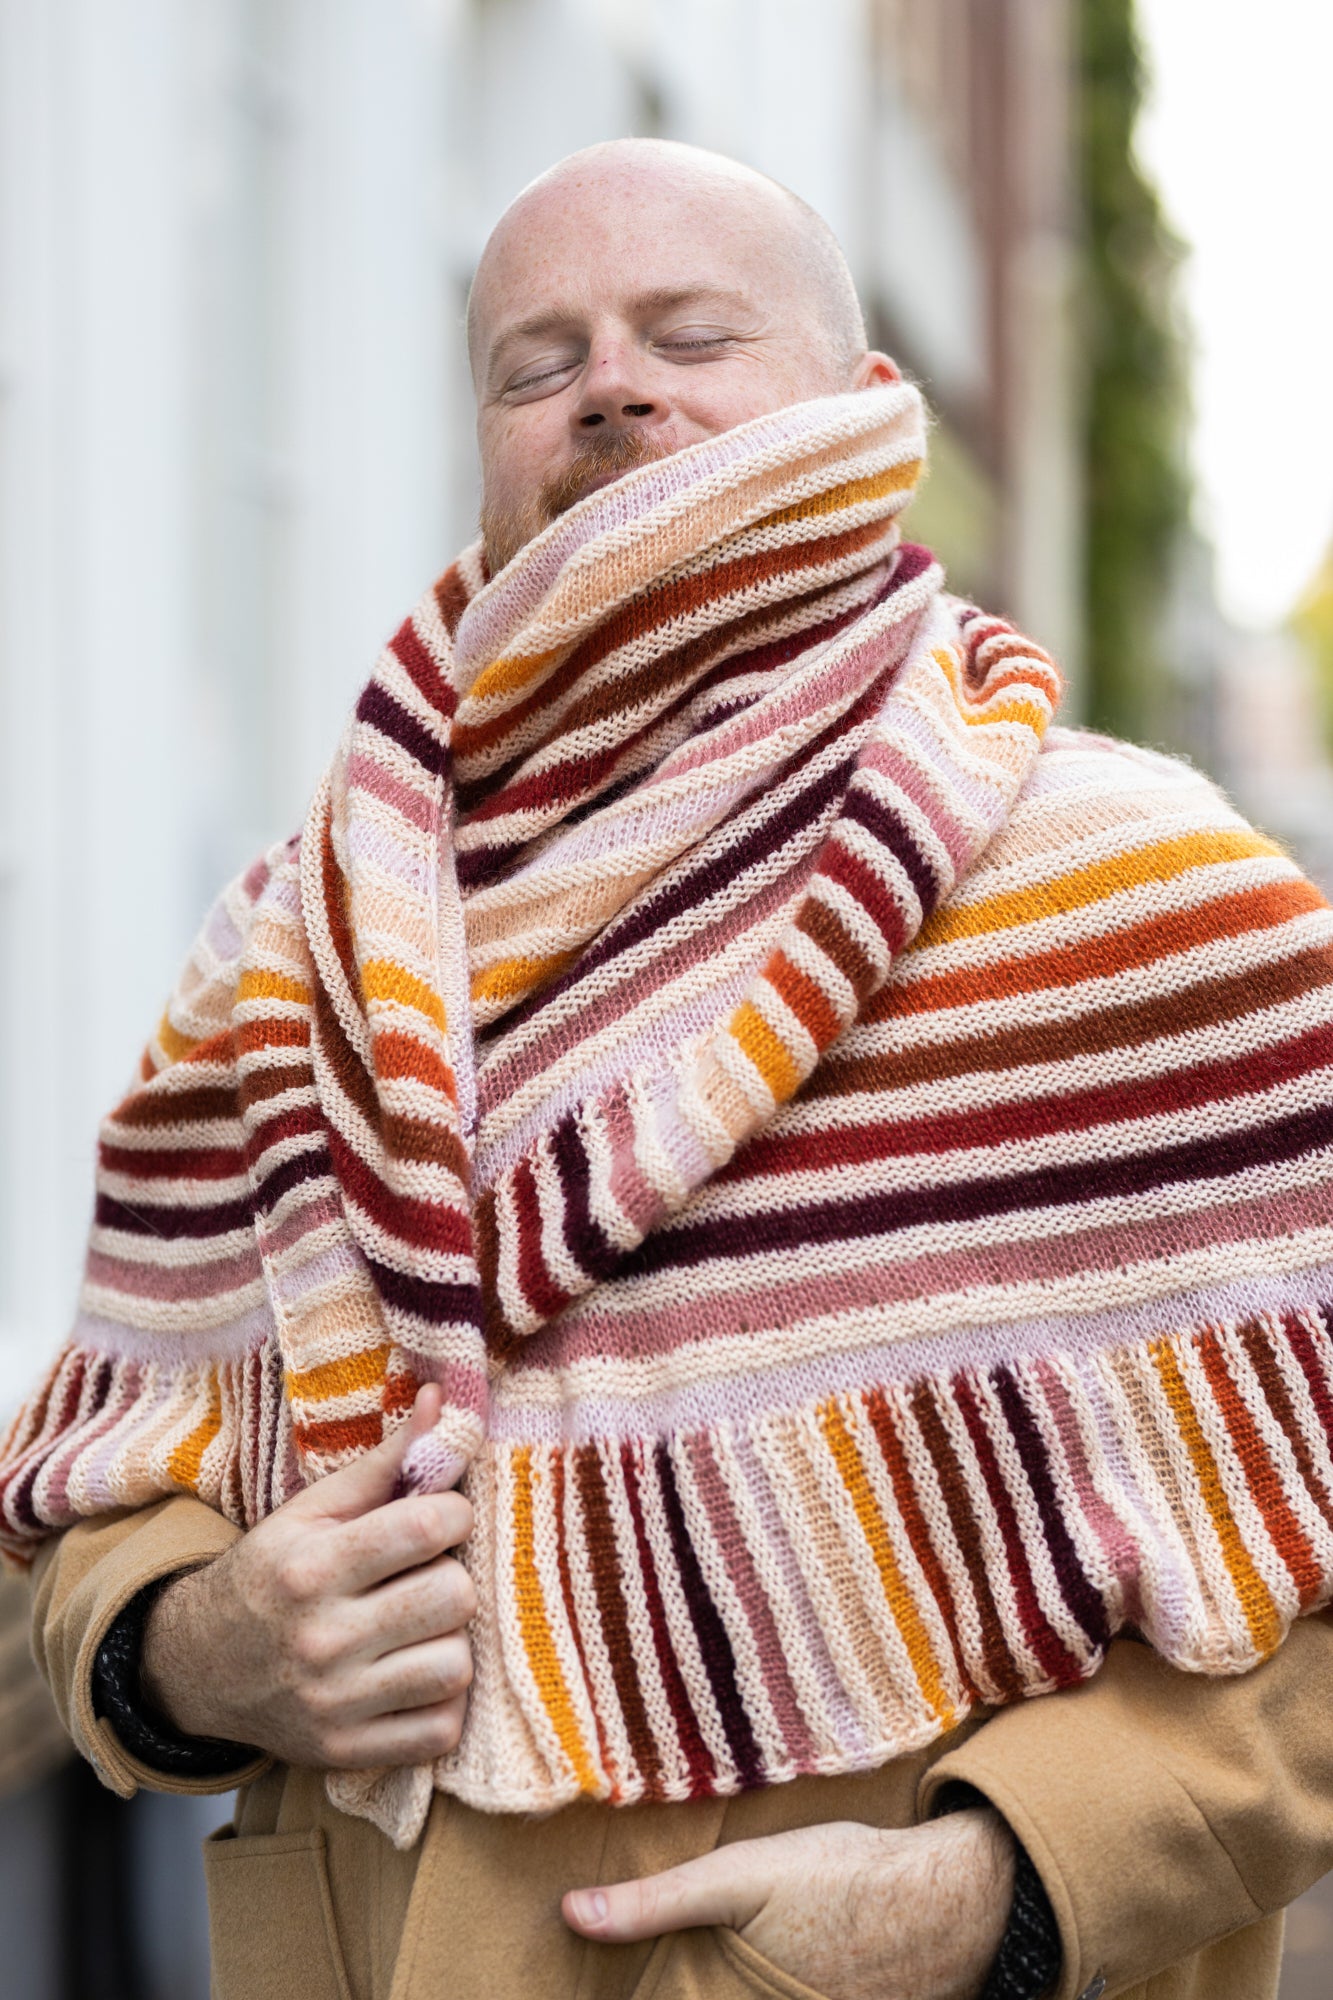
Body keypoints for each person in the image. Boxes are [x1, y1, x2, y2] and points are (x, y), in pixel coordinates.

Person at [5, 139, 1333, 2000]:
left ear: (873, 409)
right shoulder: (293, 951)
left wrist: (1000, 1884)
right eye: (534, 364)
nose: (609, 385)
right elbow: (94, 1485)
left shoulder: (1149, 905)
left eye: (691, 333)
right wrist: (183, 1647)